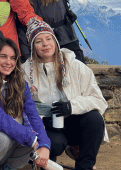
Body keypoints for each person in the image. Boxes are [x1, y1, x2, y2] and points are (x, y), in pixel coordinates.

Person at [22, 19, 108, 170]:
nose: (45, 44)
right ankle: (46, 164)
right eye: (39, 41)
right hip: (46, 126)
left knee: (94, 120)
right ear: (32, 47)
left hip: (73, 121)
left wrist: (71, 107)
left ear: (55, 41)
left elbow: (99, 101)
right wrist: (42, 119)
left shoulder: (75, 66)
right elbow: (20, 105)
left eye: (49, 39)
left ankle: (85, 166)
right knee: (53, 144)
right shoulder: (24, 72)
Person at [0, 37, 51, 170]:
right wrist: (31, 139)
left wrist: (44, 144)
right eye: (3, 56)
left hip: (10, 135)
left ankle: (9, 168)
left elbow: (32, 114)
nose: (8, 62)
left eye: (13, 58)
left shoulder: (20, 83)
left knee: (34, 140)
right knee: (3, 139)